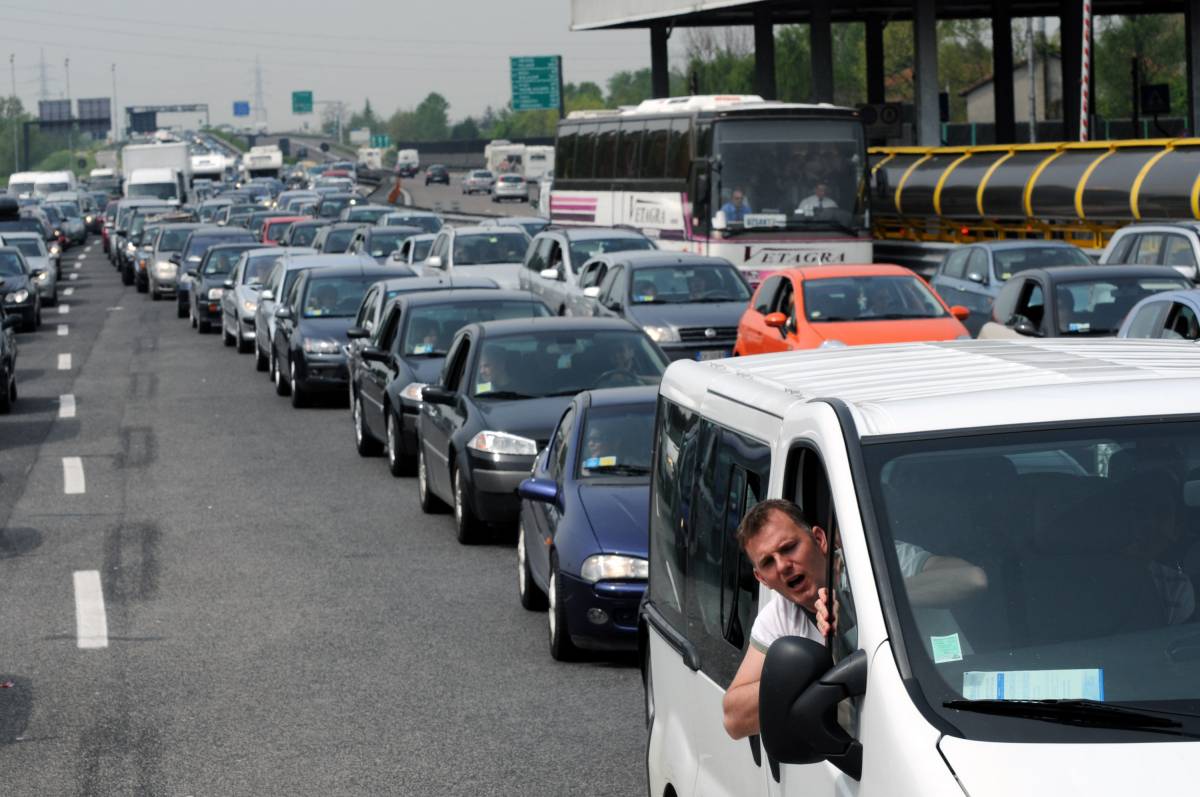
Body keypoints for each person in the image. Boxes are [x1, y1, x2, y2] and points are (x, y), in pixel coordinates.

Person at [721, 498, 987, 740]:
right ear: (761, 579)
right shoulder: (779, 618)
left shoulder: (875, 564)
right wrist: (803, 675)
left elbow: (971, 579)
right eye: (768, 562)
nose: (782, 566)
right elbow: (734, 719)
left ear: (819, 539)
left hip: (955, 714)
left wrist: (860, 603)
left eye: (789, 548)